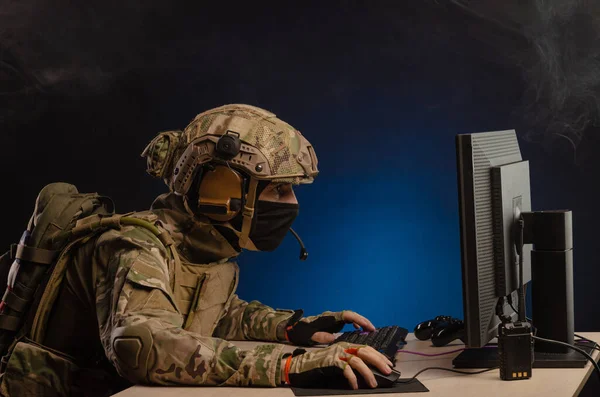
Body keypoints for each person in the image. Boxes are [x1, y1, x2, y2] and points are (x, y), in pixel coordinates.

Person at [0, 104, 393, 396]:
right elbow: (142, 345)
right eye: (278, 188)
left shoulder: (206, 249)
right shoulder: (135, 245)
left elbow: (213, 316)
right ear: (221, 188)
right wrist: (289, 365)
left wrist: (290, 328)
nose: (290, 204)